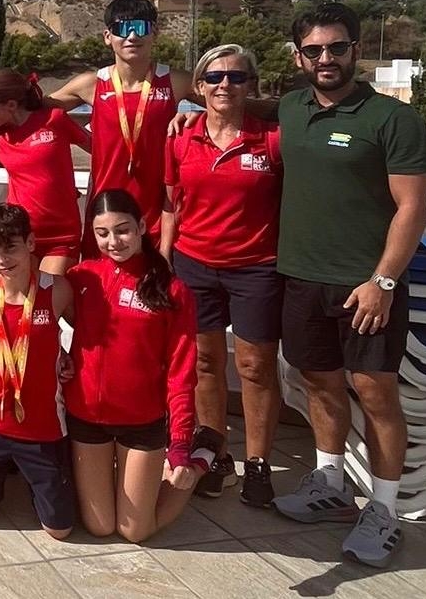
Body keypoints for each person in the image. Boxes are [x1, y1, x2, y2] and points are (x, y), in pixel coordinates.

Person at [271, 3, 426, 569]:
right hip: (301, 276)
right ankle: (330, 484)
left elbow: (413, 208)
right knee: (317, 382)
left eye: (336, 47)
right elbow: (225, 105)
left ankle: (384, 510)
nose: (325, 58)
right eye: (313, 50)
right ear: (298, 57)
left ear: (356, 50)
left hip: (366, 285)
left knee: (377, 392)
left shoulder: (391, 118)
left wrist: (383, 281)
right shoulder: (290, 109)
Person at [162, 44, 284, 507]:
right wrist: (164, 259)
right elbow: (170, 203)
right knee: (205, 363)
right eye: (213, 78)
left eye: (236, 77)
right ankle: (215, 456)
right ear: (198, 88)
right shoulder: (181, 136)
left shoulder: (271, 138)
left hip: (256, 266)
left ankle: (257, 463)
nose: (224, 85)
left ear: (250, 85)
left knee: (254, 367)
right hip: (194, 264)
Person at [65, 189, 211, 542]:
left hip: (142, 421)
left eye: (123, 230)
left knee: (134, 531)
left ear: (143, 226)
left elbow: (181, 372)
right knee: (100, 526)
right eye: (102, 233)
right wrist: (60, 360)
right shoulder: (81, 278)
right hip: (87, 417)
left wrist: (178, 442)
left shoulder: (172, 291)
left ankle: (203, 456)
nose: (114, 241)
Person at [0, 204, 75, 540]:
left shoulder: (57, 290)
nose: (3, 260)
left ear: (30, 242)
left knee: (60, 530)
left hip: (43, 430)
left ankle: (31, 478)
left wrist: (65, 355)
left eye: (10, 247)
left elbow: (89, 336)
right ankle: (5, 471)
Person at [46, 0, 186, 250]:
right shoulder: (91, 84)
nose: (132, 36)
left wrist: (196, 115)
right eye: (122, 28)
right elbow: (33, 107)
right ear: (108, 36)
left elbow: (227, 101)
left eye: (140, 27)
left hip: (158, 213)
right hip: (104, 211)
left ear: (155, 32)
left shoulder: (174, 81)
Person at [0, 69, 91, 276]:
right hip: (17, 234)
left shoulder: (54, 119)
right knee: (23, 302)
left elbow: (99, 148)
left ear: (11, 104)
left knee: (48, 296)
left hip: (62, 233)